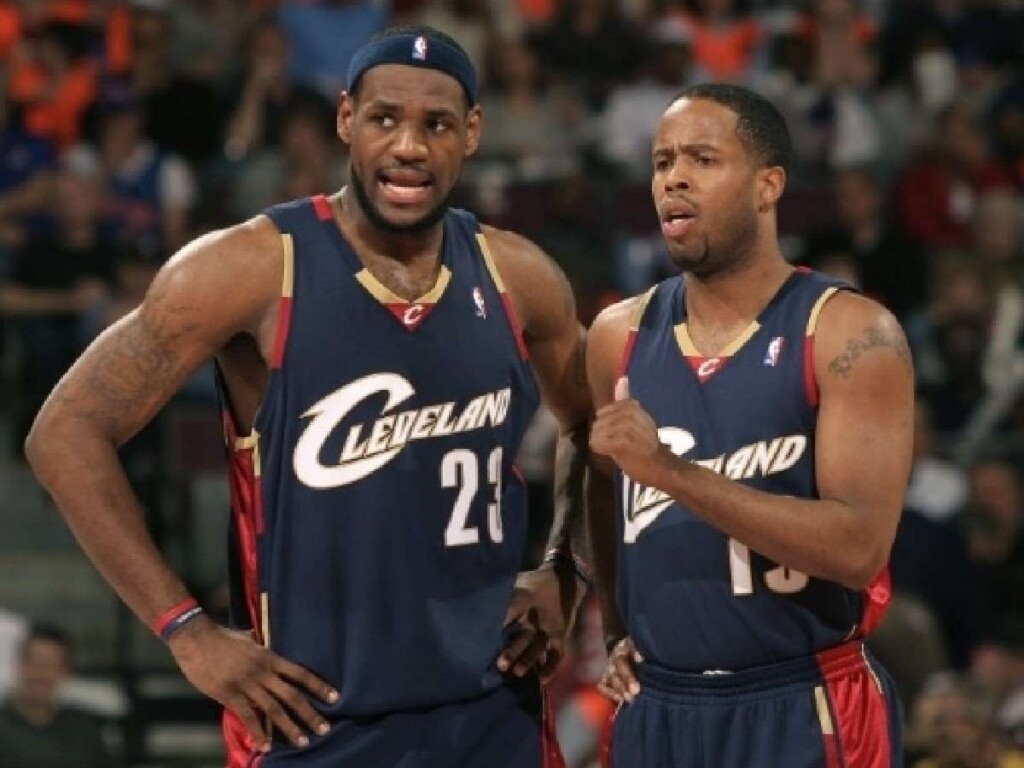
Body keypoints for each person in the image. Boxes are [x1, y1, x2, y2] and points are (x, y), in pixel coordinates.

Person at [26, 25, 591, 768]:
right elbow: (65, 433)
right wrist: (186, 630)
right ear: (345, 118)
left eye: (437, 124)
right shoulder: (251, 268)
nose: (409, 147)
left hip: (492, 712)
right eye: (385, 118)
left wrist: (566, 569)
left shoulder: (517, 275)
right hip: (311, 724)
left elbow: (597, 423)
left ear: (473, 133)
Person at [585, 83, 914, 767]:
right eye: (661, 161)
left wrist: (671, 473)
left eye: (703, 159)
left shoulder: (850, 331)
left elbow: (858, 548)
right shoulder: (617, 334)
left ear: (768, 186)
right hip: (661, 706)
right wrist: (617, 624)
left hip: (803, 699)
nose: (673, 177)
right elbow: (600, 481)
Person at [0, 624, 112, 768]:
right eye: (35, 662)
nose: (40, 673)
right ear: (19, 665)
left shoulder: (82, 730)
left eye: (50, 665)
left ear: (64, 671)